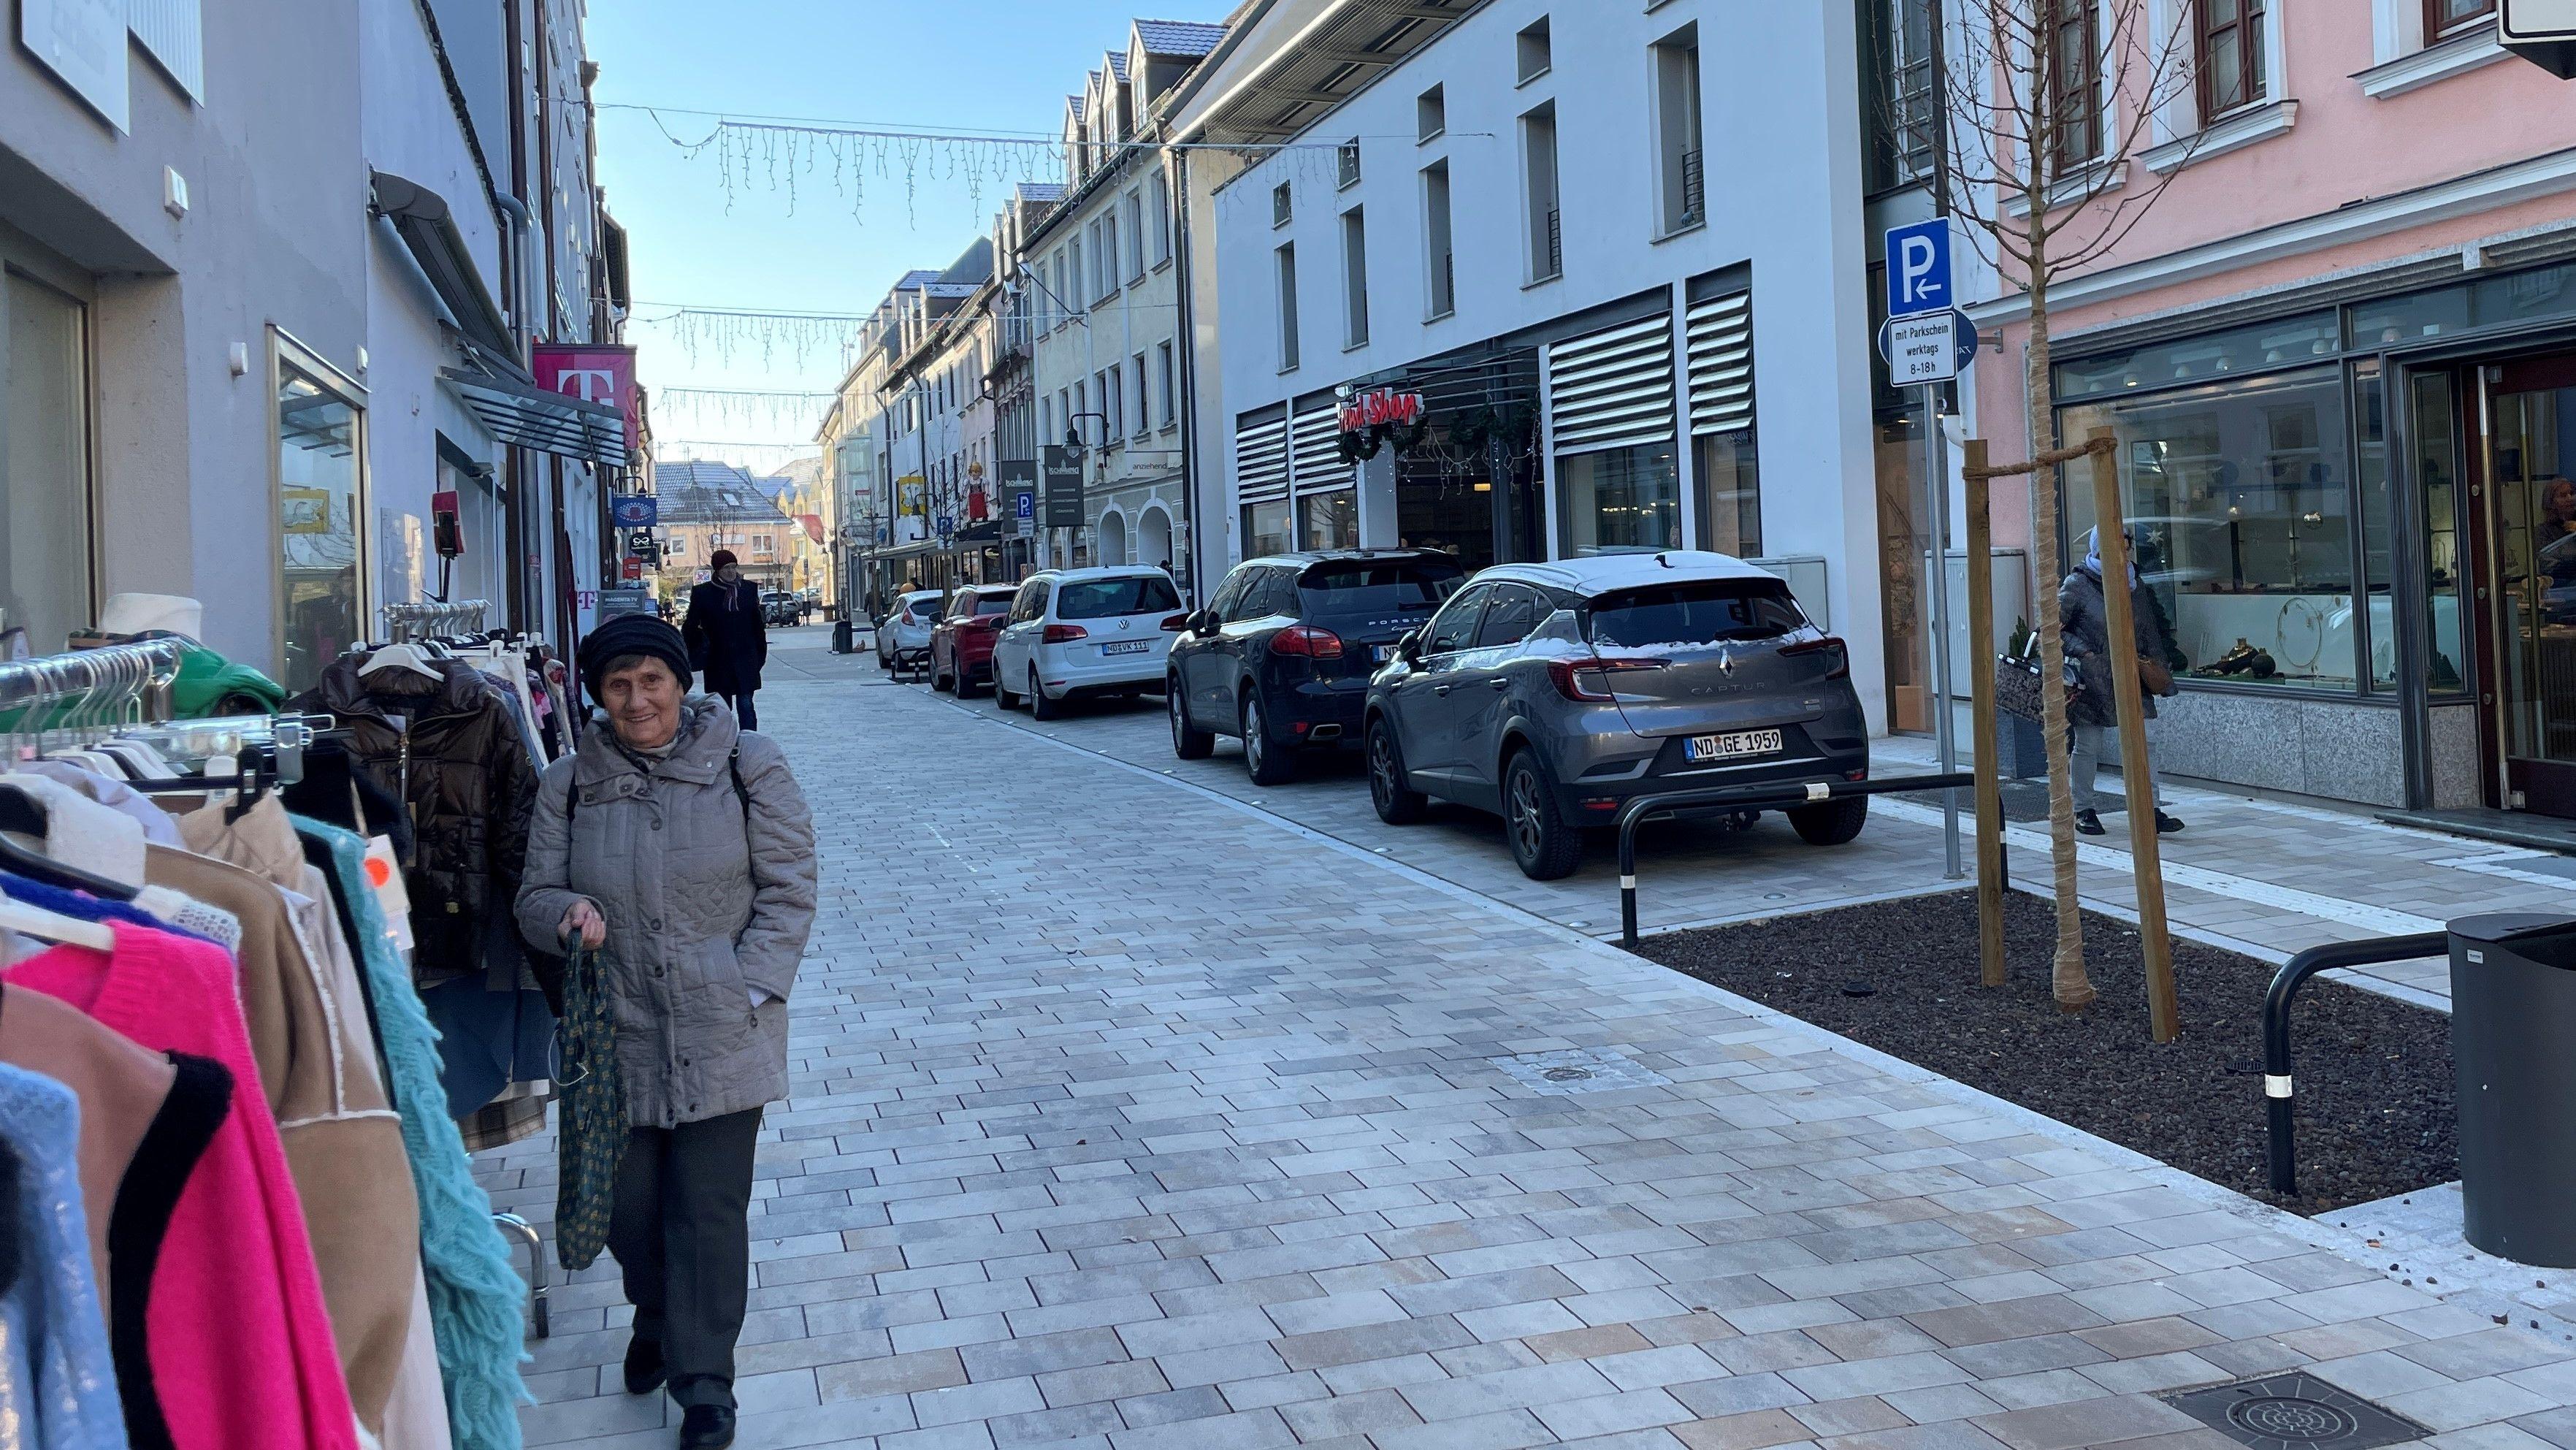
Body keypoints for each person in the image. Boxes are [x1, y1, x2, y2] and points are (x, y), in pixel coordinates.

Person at [516, 614, 817, 1450]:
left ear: (680, 682)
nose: (638, 699)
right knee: (626, 1208)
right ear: (596, 694)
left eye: (653, 680)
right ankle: (655, 1309)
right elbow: (532, 895)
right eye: (618, 685)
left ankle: (704, 1382)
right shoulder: (569, 784)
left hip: (724, 1026)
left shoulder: (747, 764)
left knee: (707, 1211)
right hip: (616, 1033)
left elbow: (789, 887)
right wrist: (564, 914)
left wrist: (747, 983)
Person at [2060, 527, 2187, 838]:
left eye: (2127, 548)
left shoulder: (2135, 584)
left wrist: (2160, 666)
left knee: (2146, 743)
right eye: (2115, 548)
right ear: (2098, 550)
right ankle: (2084, 809)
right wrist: (2086, 652)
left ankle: (2149, 807)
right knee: (2089, 745)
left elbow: (2150, 629)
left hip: (2134, 673)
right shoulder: (2077, 584)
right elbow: (2053, 628)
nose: (2123, 554)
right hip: (2094, 679)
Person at [683, 550, 768, 729]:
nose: (731, 572)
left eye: (733, 567)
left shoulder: (748, 590)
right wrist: (697, 650)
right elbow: (690, 627)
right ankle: (725, 743)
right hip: (718, 661)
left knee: (746, 705)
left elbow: (757, 627)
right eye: (726, 568)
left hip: (746, 658)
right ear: (717, 570)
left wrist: (760, 655)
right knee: (722, 709)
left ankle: (749, 744)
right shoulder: (703, 593)